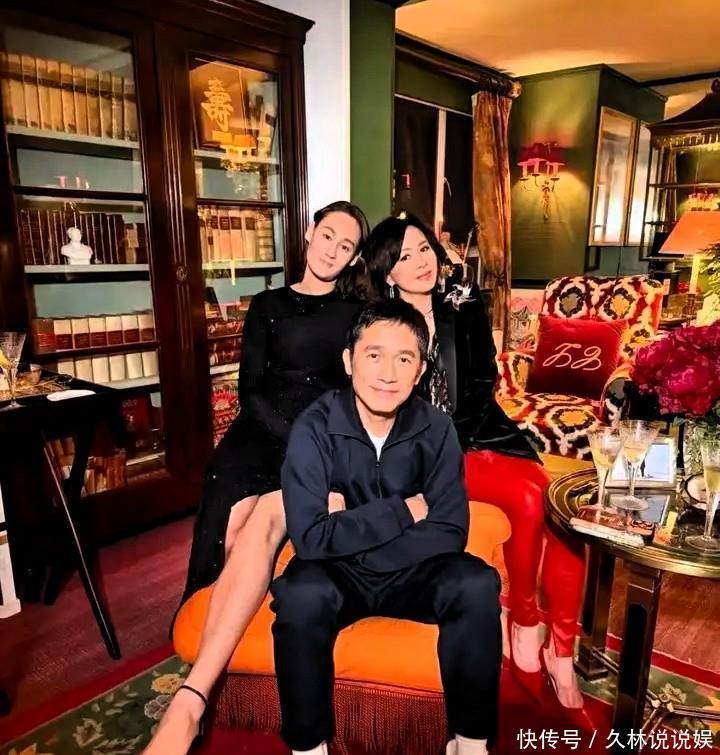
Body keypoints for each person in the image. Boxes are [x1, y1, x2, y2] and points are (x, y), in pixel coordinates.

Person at [143, 200, 369, 755]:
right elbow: (250, 390)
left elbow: (358, 391)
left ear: (354, 258)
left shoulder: (356, 313)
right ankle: (208, 640)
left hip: (321, 435)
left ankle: (201, 687)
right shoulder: (268, 304)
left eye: (346, 247)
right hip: (261, 430)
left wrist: (315, 446)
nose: (333, 251)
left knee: (256, 524)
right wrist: (287, 437)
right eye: (328, 236)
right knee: (226, 503)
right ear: (309, 232)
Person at [364, 214, 587, 710]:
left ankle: (561, 653)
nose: (420, 262)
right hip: (424, 454)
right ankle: (525, 624)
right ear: (387, 272)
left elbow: (484, 380)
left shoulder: (462, 303)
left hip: (485, 432)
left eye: (424, 249)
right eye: (404, 257)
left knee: (559, 509)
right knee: (528, 500)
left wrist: (462, 437)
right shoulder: (380, 325)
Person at [272, 299, 502, 755]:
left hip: (411, 573)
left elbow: (450, 528)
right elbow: (310, 538)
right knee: (300, 593)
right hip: (338, 576)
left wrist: (348, 530)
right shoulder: (314, 428)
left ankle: (470, 742)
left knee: (475, 583)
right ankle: (308, 747)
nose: (387, 374)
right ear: (349, 360)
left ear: (420, 372)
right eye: (374, 355)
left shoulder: (436, 428)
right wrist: (403, 510)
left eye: (404, 359)